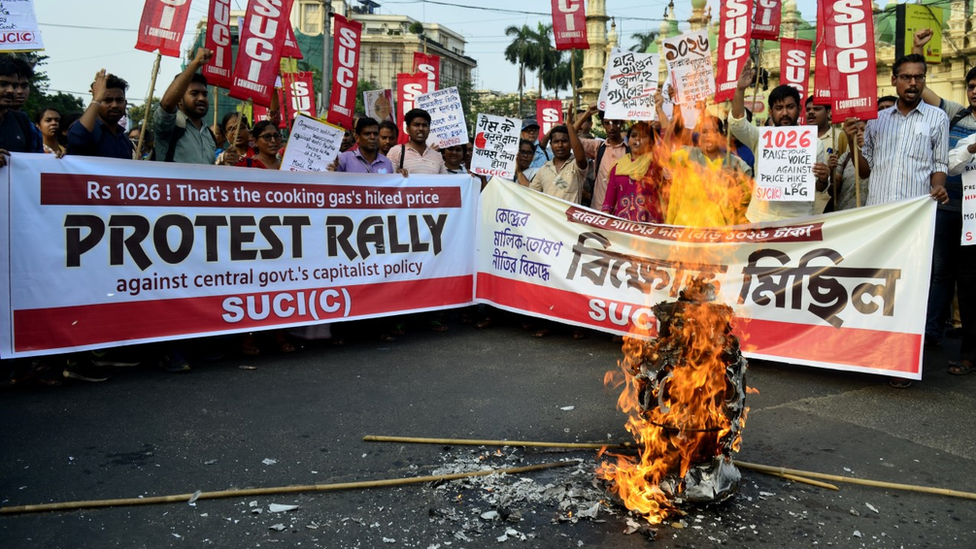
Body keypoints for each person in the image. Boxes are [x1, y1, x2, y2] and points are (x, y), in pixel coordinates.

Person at [843, 53, 949, 388]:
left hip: (915, 222)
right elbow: (864, 170)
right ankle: (870, 354)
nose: (913, 83)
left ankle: (901, 363)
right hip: (880, 219)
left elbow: (940, 164)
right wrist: (851, 139)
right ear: (894, 80)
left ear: (924, 80)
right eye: (906, 77)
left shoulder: (937, 118)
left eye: (919, 77)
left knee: (908, 292)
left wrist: (938, 188)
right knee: (875, 289)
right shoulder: (875, 121)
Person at [912, 29, 976, 355]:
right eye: (972, 86)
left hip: (975, 215)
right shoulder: (956, 113)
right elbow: (920, 89)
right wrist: (917, 49)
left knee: (969, 276)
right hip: (951, 206)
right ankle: (931, 332)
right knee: (940, 272)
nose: (975, 92)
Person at [730, 64, 829, 222]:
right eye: (778, 108)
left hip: (797, 220)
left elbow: (819, 188)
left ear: (799, 108)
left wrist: (824, 178)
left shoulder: (814, 143)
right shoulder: (759, 136)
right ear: (770, 111)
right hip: (759, 218)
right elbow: (737, 124)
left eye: (790, 107)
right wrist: (740, 90)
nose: (784, 113)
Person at [666, 116, 753, 226]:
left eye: (714, 131)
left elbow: (748, 198)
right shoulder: (687, 155)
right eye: (704, 132)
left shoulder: (734, 163)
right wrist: (667, 132)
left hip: (719, 233)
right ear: (699, 136)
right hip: (686, 232)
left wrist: (736, 179)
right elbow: (665, 159)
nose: (709, 136)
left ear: (722, 135)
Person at [154, 48, 233, 166]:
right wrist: (195, 63)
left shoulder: (209, 134)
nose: (201, 98)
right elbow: (167, 104)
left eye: (204, 94)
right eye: (194, 93)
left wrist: (223, 162)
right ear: (179, 99)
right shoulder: (171, 124)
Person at [944, 130, 976, 376]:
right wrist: (972, 148)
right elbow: (951, 166)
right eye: (972, 87)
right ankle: (969, 356)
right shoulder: (969, 140)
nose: (974, 91)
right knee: (968, 294)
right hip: (972, 231)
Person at [601, 121, 664, 223]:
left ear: (651, 142)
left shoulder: (656, 165)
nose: (637, 139)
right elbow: (608, 203)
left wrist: (660, 112)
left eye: (643, 136)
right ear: (628, 141)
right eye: (633, 136)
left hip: (651, 228)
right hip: (623, 228)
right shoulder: (618, 167)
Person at [66, 70, 133, 159]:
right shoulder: (90, 130)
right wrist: (96, 99)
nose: (115, 105)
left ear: (125, 103)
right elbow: (76, 140)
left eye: (119, 100)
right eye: (107, 100)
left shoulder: (125, 140)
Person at [576, 105, 629, 211]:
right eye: (607, 123)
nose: (612, 127)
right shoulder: (598, 147)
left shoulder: (631, 150)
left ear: (622, 122)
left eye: (615, 122)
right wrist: (587, 113)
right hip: (599, 211)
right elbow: (570, 136)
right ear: (603, 124)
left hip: (623, 212)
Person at [520, 121, 587, 204]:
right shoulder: (544, 169)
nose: (560, 145)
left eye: (564, 141)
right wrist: (518, 172)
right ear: (551, 145)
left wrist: (570, 126)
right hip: (548, 217)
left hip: (569, 216)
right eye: (556, 142)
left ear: (570, 144)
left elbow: (580, 159)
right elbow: (531, 194)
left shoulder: (575, 165)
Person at [386, 108, 447, 175]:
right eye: (416, 125)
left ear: (429, 129)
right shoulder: (395, 152)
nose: (421, 129)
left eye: (424, 125)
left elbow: (445, 182)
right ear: (407, 129)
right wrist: (397, 174)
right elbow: (388, 180)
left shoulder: (437, 156)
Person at [831, 119, 869, 210]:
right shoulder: (845, 157)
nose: (859, 133)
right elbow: (834, 189)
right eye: (856, 131)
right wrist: (831, 171)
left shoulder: (878, 156)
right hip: (845, 213)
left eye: (863, 130)